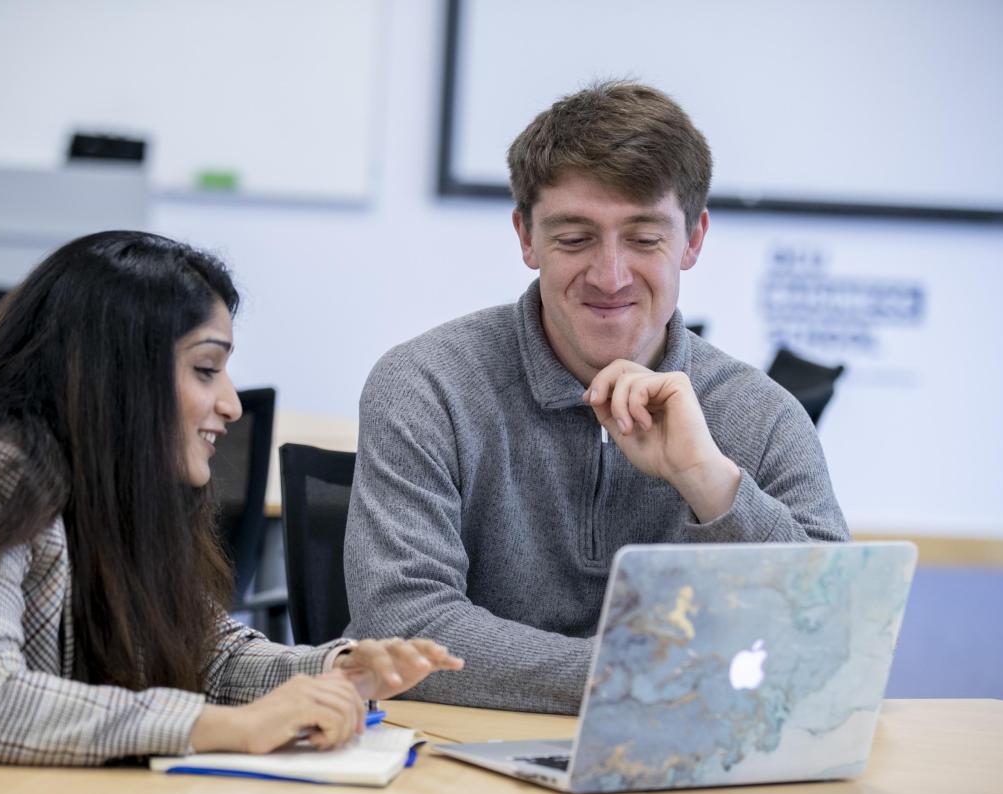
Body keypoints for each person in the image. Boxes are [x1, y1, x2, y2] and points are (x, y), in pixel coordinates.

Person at [0, 230, 461, 767]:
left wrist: (334, 668)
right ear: (121, 373)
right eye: (206, 369)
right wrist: (221, 726)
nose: (231, 403)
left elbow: (204, 647)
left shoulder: (120, 486)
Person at [344, 81, 849, 714]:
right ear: (526, 237)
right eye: (574, 238)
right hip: (459, 768)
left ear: (693, 241)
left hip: (695, 780)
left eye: (644, 239)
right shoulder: (426, 386)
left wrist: (709, 481)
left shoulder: (765, 416)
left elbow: (831, 636)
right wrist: (636, 676)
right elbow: (404, 626)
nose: (610, 276)